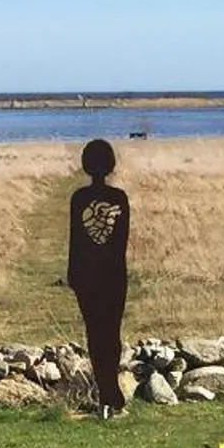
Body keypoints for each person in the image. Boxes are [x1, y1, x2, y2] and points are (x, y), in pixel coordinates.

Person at [68, 138, 131, 414]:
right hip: (113, 275)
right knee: (110, 332)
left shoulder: (79, 199)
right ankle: (109, 388)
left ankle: (107, 389)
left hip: (89, 275)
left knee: (96, 333)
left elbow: (76, 241)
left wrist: (74, 273)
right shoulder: (119, 199)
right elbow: (120, 243)